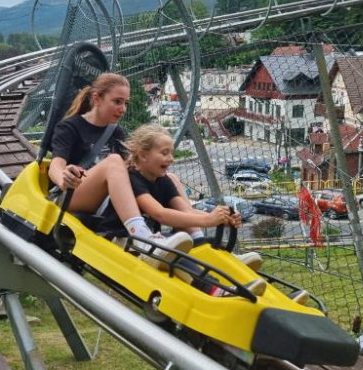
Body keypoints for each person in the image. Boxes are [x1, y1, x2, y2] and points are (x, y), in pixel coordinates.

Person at [110, 123, 266, 296]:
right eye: (164, 153)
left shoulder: (163, 180)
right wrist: (209, 220)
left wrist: (220, 218)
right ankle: (214, 289)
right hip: (128, 242)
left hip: (152, 242)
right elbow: (159, 214)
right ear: (143, 155)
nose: (171, 158)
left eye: (172, 153)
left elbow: (187, 212)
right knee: (176, 249)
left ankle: (224, 263)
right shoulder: (132, 179)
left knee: (187, 240)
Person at [48, 73, 192, 254]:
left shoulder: (116, 132)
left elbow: (131, 170)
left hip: (105, 199)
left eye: (125, 103)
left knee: (169, 177)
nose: (123, 109)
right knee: (114, 161)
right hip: (71, 195)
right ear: (96, 99)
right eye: (117, 102)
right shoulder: (70, 127)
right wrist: (63, 178)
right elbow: (56, 166)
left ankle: (197, 236)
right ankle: (141, 237)